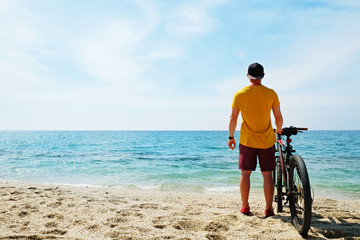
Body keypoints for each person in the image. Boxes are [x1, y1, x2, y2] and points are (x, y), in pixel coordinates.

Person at [228, 62, 283, 217]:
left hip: (247, 140)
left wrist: (231, 137)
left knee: (245, 174)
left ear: (247, 76)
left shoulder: (240, 93)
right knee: (267, 174)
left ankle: (245, 207)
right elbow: (278, 117)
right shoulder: (271, 93)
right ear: (263, 76)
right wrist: (278, 130)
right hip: (266, 140)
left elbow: (233, 118)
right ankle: (268, 209)